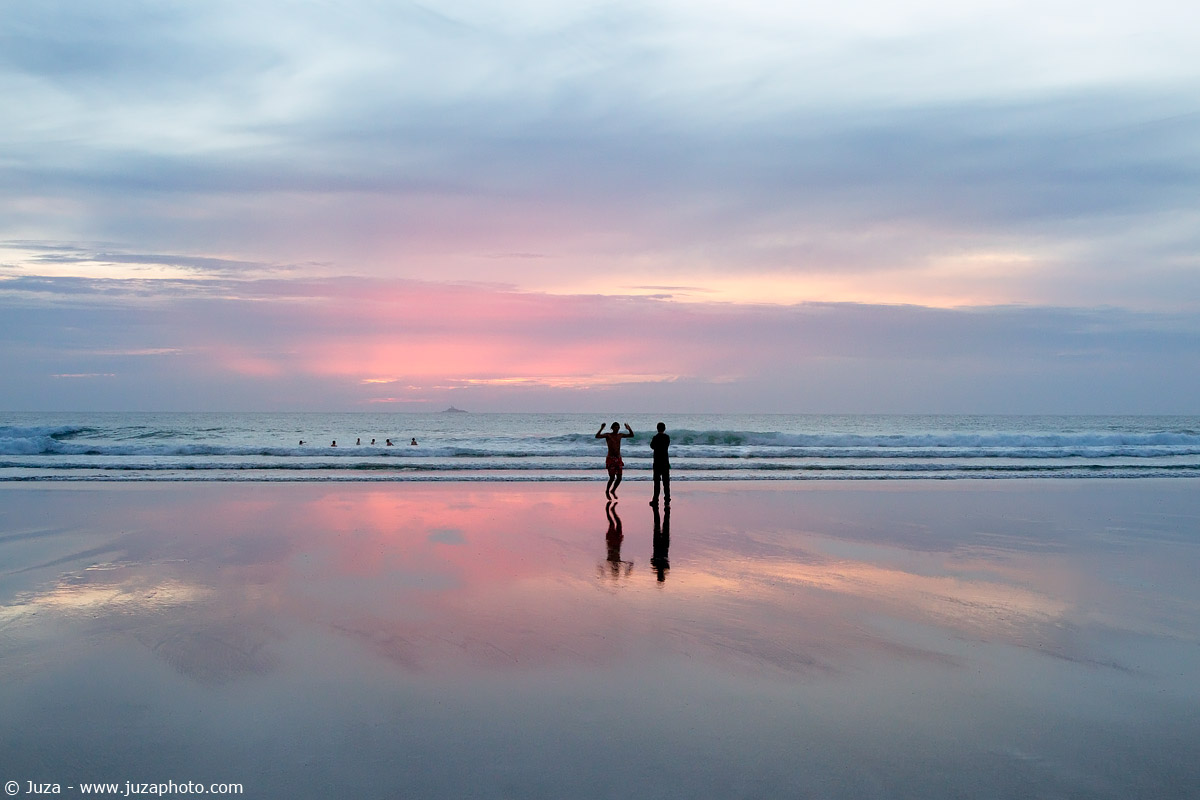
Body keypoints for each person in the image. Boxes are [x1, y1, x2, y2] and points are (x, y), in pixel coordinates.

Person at [595, 421, 634, 499]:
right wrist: (601, 428)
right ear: (612, 428)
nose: (617, 428)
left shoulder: (620, 435)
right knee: (612, 477)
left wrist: (629, 429)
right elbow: (597, 436)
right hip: (611, 458)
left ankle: (613, 490)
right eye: (615, 427)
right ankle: (607, 490)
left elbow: (632, 435)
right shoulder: (608, 435)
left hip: (618, 458)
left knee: (619, 477)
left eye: (618, 427)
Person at [649, 422, 670, 506]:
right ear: (664, 429)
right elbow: (667, 445)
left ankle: (655, 499)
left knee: (657, 483)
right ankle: (667, 498)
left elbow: (652, 446)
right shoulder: (667, 437)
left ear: (657, 428)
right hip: (665, 461)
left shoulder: (655, 437)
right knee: (666, 482)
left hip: (657, 462)